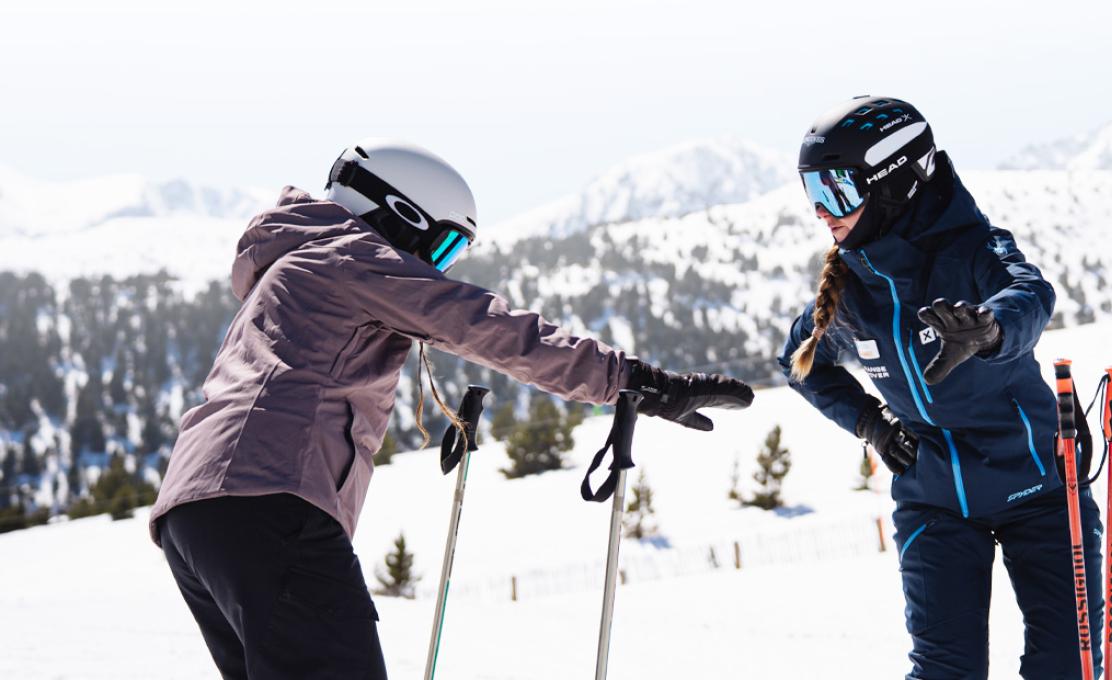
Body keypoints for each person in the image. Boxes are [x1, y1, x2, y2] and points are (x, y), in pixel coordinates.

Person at [149, 140, 754, 679]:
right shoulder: (351, 256)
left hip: (197, 515)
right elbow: (485, 325)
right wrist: (632, 379)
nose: (434, 267)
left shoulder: (291, 267)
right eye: (440, 245)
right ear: (399, 215)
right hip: (268, 501)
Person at [779, 96, 1102, 679]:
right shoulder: (853, 289)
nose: (823, 213)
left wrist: (992, 328)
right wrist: (870, 423)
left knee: (1064, 667)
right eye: (813, 195)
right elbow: (801, 363)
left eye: (836, 193)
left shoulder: (974, 248)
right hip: (935, 501)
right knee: (945, 672)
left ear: (893, 183)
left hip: (1040, 489)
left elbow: (1031, 292)